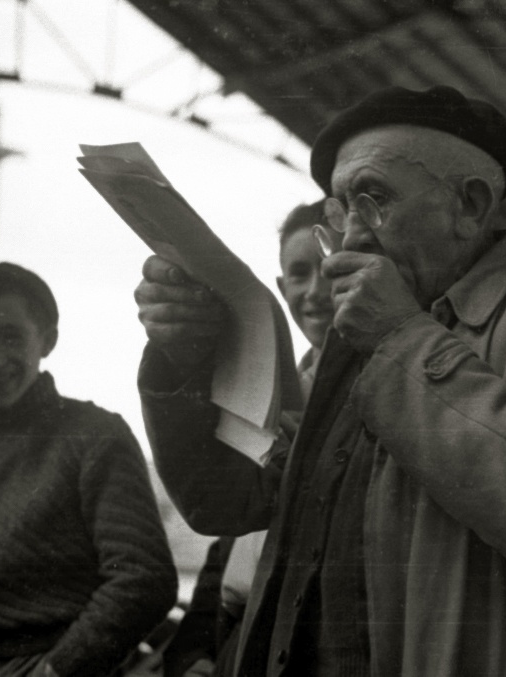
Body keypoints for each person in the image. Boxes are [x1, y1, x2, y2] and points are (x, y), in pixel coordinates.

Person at [135, 85, 506, 676]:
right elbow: (228, 501)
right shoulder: (354, 332)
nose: (352, 237)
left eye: (374, 199)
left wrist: (400, 336)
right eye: (340, 212)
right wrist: (183, 360)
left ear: (471, 205)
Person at [161, 201, 334, 677]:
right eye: (299, 274)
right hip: (236, 636)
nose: (315, 292)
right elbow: (231, 539)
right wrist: (193, 650)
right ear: (280, 287)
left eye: (328, 269)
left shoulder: (376, 393)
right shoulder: (271, 391)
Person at [0, 262, 177, 677]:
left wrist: (57, 669)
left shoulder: (94, 437)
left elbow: (144, 579)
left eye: (9, 336)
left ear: (47, 341)